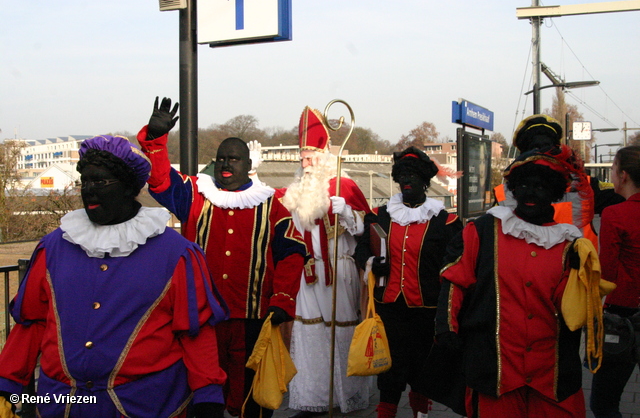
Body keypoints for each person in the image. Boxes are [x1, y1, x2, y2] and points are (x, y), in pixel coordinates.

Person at [0, 135, 228, 418]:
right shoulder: (53, 248)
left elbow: (195, 333)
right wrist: (7, 386)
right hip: (62, 405)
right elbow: (31, 324)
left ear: (128, 187)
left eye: (101, 182)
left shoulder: (176, 253)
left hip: (148, 406)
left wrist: (208, 398)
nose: (89, 192)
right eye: (85, 182)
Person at [137, 97, 306, 418]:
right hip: (200, 318)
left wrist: (282, 299)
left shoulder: (271, 206)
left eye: (234, 158)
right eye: (221, 158)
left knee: (250, 399)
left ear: (247, 164)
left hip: (252, 319)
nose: (226, 164)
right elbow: (159, 182)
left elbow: (293, 253)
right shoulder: (194, 194)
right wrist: (156, 141)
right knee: (201, 394)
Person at [436, 145, 605, 418]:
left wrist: (580, 276)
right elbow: (455, 280)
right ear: (513, 189)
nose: (530, 192)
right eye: (523, 185)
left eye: (540, 186)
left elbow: (573, 308)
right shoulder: (483, 231)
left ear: (553, 192)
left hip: (553, 374)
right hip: (497, 371)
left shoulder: (571, 243)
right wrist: (446, 328)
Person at [354, 146, 462, 418]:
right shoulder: (381, 215)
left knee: (422, 369)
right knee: (390, 370)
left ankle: (420, 414)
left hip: (426, 311)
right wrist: (370, 263)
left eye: (412, 175)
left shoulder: (444, 221)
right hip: (389, 310)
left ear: (425, 181)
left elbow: (457, 264)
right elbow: (362, 249)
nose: (407, 181)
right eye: (402, 175)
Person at [281, 106, 371, 417]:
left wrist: (347, 212)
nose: (306, 164)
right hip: (309, 273)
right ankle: (315, 398)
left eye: (312, 157)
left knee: (340, 330)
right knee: (310, 333)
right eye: (303, 158)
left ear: (325, 155)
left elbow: (368, 231)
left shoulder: (344, 186)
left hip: (339, 268)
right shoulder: (295, 189)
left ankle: (347, 398)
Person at [494, 114, 624, 249]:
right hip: (575, 265)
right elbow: (630, 195)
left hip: (523, 266)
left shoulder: (502, 193)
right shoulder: (587, 187)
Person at [590, 145, 640, 418]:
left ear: (623, 176)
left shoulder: (616, 215)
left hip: (623, 317)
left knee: (604, 403)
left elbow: (606, 274)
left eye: (614, 168)